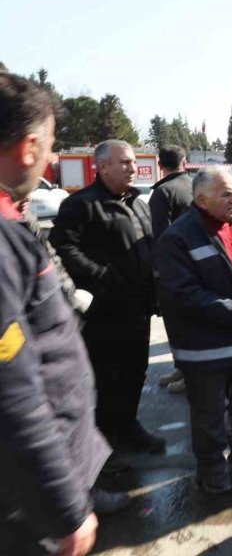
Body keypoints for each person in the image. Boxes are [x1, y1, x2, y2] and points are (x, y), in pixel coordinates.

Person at [0, 72, 113, 556]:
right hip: (30, 503)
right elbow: (14, 390)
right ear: (28, 148)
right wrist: (65, 506)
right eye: (49, 147)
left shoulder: (13, 219)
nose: (51, 160)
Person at [154, 167, 232, 494]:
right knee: (210, 416)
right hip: (205, 347)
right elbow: (184, 295)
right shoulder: (178, 238)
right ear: (201, 199)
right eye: (225, 193)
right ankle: (212, 470)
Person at [50, 139, 163, 457]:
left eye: (132, 162)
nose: (132, 167)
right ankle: (101, 447)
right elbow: (63, 248)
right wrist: (102, 278)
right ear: (102, 167)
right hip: (105, 312)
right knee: (105, 380)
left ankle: (128, 428)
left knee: (135, 372)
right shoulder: (81, 204)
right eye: (124, 162)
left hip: (139, 308)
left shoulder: (139, 203)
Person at [150, 144, 194, 394]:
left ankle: (189, 373)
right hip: (195, 264)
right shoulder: (193, 184)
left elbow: (161, 237)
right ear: (184, 161)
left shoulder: (163, 192)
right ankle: (183, 367)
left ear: (160, 165)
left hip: (175, 269)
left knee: (180, 324)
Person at [149, 144, 192, 237]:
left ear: (159, 164)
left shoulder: (163, 191)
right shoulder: (198, 185)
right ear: (184, 163)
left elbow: (161, 235)